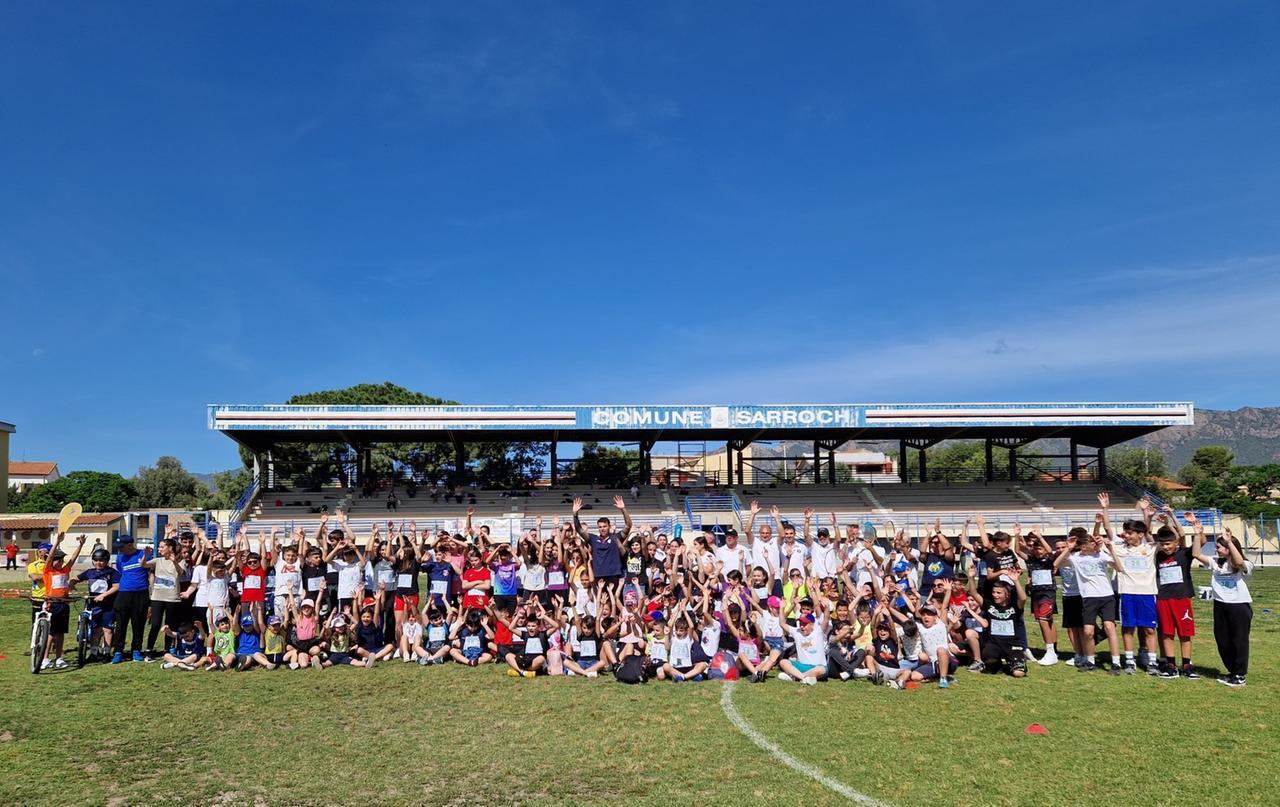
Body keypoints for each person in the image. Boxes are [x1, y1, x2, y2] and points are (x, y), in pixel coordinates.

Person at [1194, 527, 1252, 687]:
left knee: (1239, 641)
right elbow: (1196, 554)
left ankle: (1240, 675)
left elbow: (1238, 562)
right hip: (1220, 605)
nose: (1216, 549)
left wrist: (1229, 542)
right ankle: (1232, 671)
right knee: (1223, 641)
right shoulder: (1216, 562)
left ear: (1227, 549)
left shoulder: (1245, 564)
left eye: (1219, 547)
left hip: (1239, 606)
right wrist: (1197, 534)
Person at [39, 533, 86, 668]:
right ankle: (45, 658)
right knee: (51, 633)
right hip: (52, 603)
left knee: (61, 633)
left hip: (64, 604)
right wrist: (57, 542)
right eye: (57, 560)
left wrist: (80, 545)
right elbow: (49, 558)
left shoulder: (65, 570)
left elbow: (73, 559)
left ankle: (59, 658)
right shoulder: (48, 570)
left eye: (61, 561)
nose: (60, 563)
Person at [71, 546, 120, 660]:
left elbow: (116, 586)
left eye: (101, 560)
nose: (99, 563)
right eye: (96, 560)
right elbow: (76, 578)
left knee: (107, 629)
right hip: (93, 605)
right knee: (95, 628)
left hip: (108, 605)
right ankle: (94, 652)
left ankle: (106, 652)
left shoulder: (112, 572)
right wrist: (71, 584)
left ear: (106, 561)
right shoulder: (90, 572)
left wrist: (104, 595)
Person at [111, 534, 152, 663]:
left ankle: (136, 650)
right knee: (121, 625)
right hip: (124, 594)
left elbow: (150, 572)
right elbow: (121, 571)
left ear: (130, 545)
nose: (119, 549)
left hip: (141, 594)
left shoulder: (143, 555)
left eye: (121, 547)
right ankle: (118, 651)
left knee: (138, 624)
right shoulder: (120, 557)